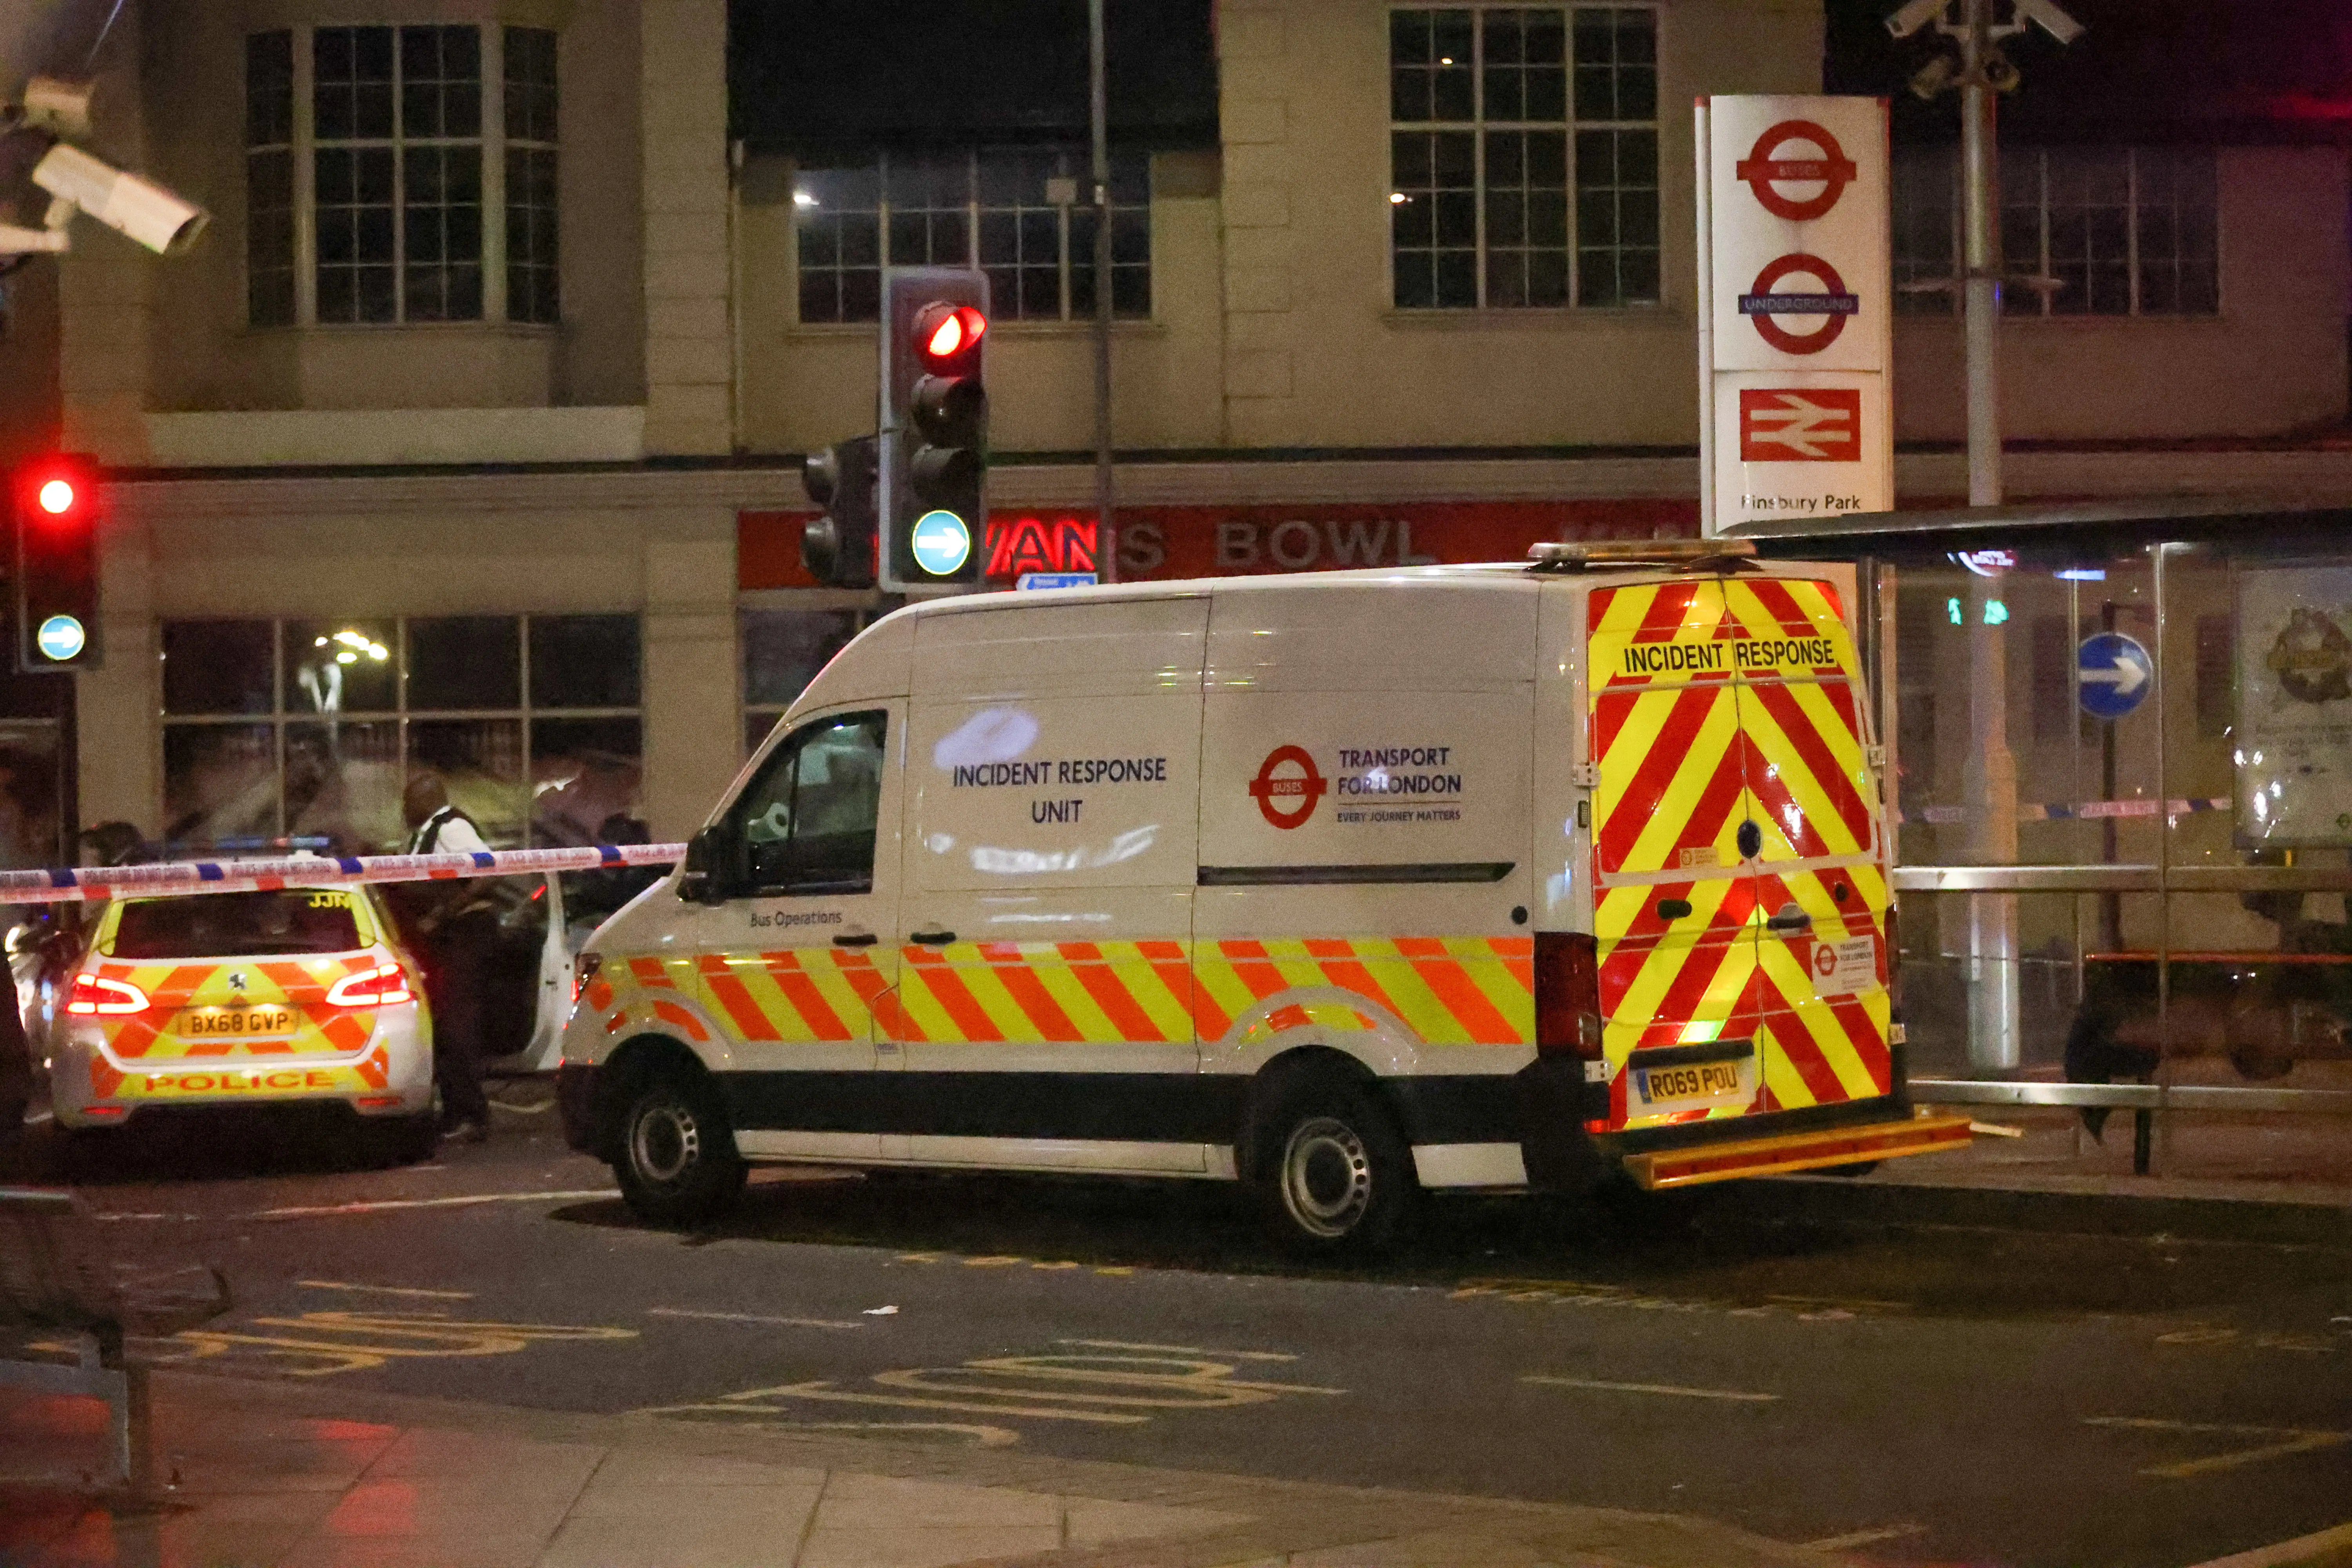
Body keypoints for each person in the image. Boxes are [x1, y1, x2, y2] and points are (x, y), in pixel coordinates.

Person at [400, 775, 496, 1143]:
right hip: (450, 936)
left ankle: (474, 1116)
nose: (403, 811)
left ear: (425, 800)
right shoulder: (426, 833)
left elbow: (486, 870)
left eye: (407, 802)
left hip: (467, 932)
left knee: (457, 1025)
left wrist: (442, 913)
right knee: (444, 1025)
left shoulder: (450, 826)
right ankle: (456, 1112)